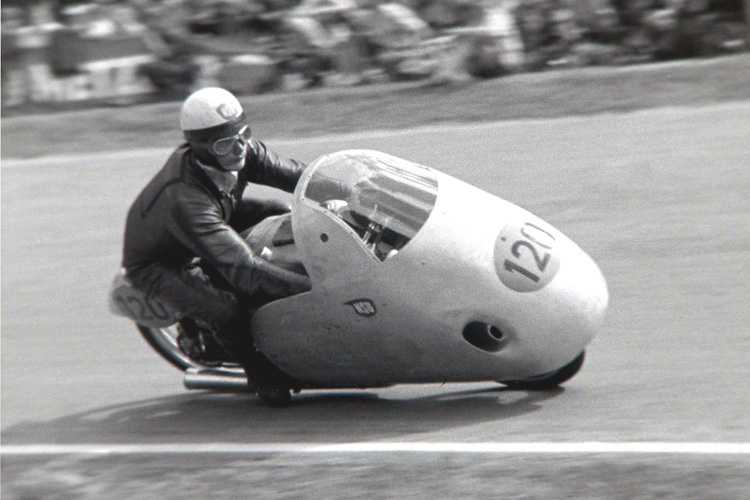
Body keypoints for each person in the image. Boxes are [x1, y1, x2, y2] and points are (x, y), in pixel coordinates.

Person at [121, 87, 311, 398]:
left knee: (281, 210)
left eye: (243, 134)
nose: (238, 148)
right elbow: (244, 268)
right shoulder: (184, 197)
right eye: (225, 144)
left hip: (216, 214)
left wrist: (351, 193)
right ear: (201, 148)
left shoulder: (242, 149)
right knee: (228, 311)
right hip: (159, 262)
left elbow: (302, 177)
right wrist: (314, 290)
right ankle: (258, 375)